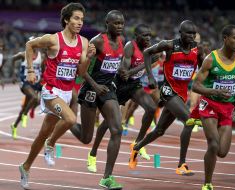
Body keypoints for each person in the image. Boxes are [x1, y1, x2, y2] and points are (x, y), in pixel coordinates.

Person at [18, 3, 95, 189]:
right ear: (67, 19)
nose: (79, 22)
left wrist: (89, 57)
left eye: (82, 20)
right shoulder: (53, 40)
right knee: (69, 119)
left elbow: (80, 72)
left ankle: (25, 166)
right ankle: (51, 144)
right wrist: (29, 70)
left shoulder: (84, 42)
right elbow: (29, 45)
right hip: (51, 90)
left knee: (43, 132)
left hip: (67, 92)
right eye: (76, 18)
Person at [129, 20, 204, 175]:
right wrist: (150, 77)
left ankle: (136, 147)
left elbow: (203, 71)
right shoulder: (169, 45)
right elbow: (147, 53)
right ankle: (181, 165)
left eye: (193, 33)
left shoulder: (198, 49)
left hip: (182, 94)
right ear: (180, 33)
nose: (191, 36)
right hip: (168, 91)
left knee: (159, 131)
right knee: (189, 121)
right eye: (188, 33)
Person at [87, 24, 157, 174]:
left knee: (151, 108)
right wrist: (138, 67)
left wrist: (149, 67)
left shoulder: (149, 50)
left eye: (149, 36)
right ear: (136, 37)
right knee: (108, 123)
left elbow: (152, 60)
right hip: (119, 86)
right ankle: (92, 153)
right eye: (145, 36)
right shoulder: (129, 47)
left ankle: (137, 143)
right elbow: (124, 72)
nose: (148, 39)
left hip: (135, 86)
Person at [70, 10, 125, 189]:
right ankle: (67, 119)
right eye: (116, 23)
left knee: (117, 129)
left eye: (122, 23)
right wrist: (95, 86)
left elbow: (114, 66)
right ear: (107, 24)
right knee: (86, 138)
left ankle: (107, 177)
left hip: (107, 89)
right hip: (91, 90)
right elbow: (81, 70)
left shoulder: (122, 42)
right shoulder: (97, 42)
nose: (119, 26)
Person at [192, 25, 235, 190]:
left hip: (228, 108)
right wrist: (214, 91)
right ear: (225, 38)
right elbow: (196, 86)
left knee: (222, 152)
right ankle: (207, 184)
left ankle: (211, 149)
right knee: (214, 145)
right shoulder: (211, 59)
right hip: (209, 104)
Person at [10, 37, 45, 139]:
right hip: (25, 82)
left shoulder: (41, 56)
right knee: (34, 98)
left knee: (40, 100)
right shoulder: (23, 54)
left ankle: (15, 125)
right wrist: (13, 74)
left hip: (36, 82)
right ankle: (26, 114)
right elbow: (12, 59)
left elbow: (42, 69)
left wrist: (42, 78)